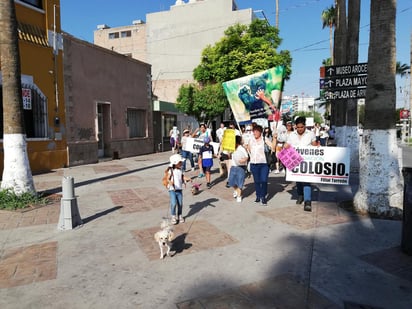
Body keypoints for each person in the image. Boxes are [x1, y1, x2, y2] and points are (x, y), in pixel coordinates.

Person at [283, 116, 318, 212]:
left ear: (305, 126)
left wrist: (318, 146)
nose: (299, 129)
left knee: (306, 180)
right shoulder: (291, 135)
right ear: (295, 127)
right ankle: (300, 195)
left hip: (307, 161)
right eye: (298, 127)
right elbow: (287, 145)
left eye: (301, 127)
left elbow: (315, 145)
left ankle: (307, 201)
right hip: (295, 160)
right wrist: (285, 146)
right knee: (298, 180)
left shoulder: (310, 134)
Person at [164, 154, 191, 224]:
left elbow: (182, 177)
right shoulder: (171, 170)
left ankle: (179, 215)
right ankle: (173, 216)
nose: (181, 163)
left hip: (179, 189)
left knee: (180, 204)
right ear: (175, 163)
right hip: (172, 190)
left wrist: (188, 179)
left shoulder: (180, 170)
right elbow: (167, 178)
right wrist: (170, 182)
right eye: (180, 162)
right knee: (173, 203)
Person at [247, 125, 270, 206]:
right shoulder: (251, 140)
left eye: (257, 131)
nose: (255, 132)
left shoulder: (264, 139)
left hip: (264, 163)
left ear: (261, 132)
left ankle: (263, 197)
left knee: (263, 180)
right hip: (254, 163)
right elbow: (249, 149)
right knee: (257, 181)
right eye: (254, 131)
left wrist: (274, 138)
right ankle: (258, 195)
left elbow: (273, 147)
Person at [228, 135, 249, 202]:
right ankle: (236, 190)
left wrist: (243, 160)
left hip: (241, 167)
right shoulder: (233, 148)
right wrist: (229, 153)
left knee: (240, 182)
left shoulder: (241, 148)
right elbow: (229, 156)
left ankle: (239, 196)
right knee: (231, 182)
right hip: (233, 166)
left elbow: (246, 157)